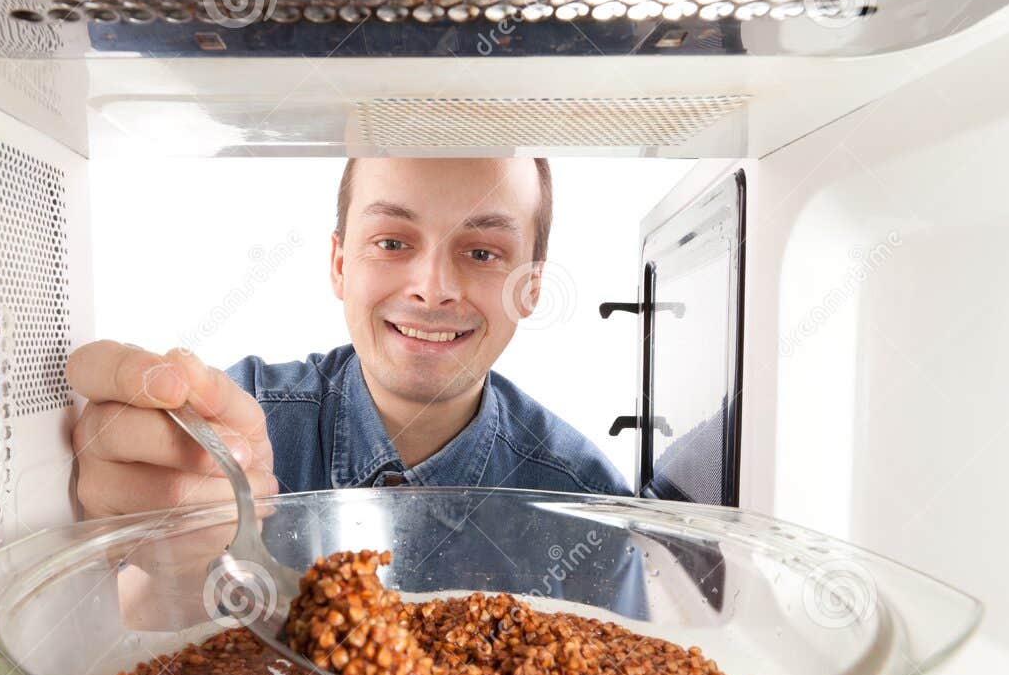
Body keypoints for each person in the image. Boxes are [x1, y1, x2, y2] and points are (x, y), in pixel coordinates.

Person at [65, 157, 633, 518]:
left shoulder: (586, 502)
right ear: (340, 264)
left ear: (531, 288)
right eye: (391, 243)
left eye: (482, 253)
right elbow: (132, 619)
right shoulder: (225, 431)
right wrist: (149, 561)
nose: (433, 290)